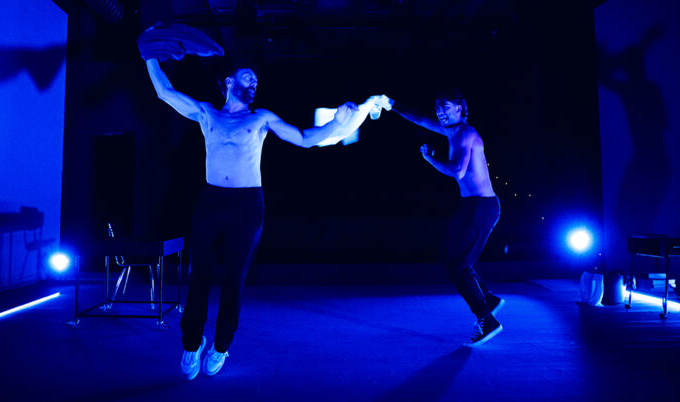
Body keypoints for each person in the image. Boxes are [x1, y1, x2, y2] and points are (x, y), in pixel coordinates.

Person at [142, 27, 390, 378]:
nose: (254, 83)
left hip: (247, 207)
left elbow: (304, 138)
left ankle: (221, 346)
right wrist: (149, 56)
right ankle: (191, 344)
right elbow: (165, 93)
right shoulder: (207, 113)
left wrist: (337, 123)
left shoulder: (261, 118)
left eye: (256, 80)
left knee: (234, 279)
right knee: (198, 276)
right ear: (229, 82)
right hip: (211, 202)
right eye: (248, 77)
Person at [391, 89, 504, 346]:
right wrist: (391, 103)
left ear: (460, 108)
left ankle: (487, 320)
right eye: (437, 107)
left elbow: (458, 171)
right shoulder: (452, 131)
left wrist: (429, 158)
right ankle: (488, 299)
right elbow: (421, 119)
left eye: (445, 106)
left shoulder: (464, 133)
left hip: (481, 206)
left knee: (458, 265)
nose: (439, 111)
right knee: (448, 256)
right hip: (471, 205)